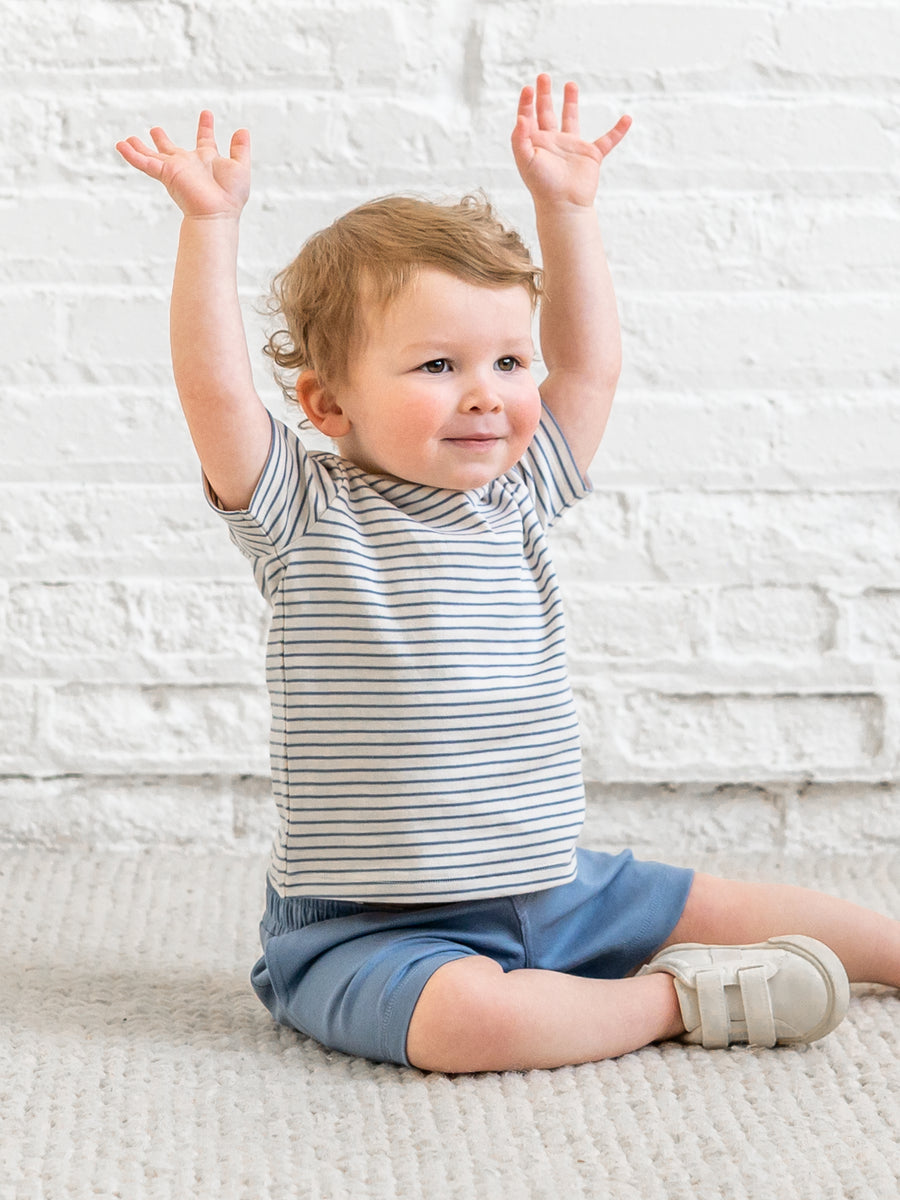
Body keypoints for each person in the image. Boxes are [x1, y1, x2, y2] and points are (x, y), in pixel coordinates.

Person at [116, 75, 900, 1073]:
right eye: (438, 367)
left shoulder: (518, 494)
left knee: (739, 903)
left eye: (506, 363)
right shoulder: (303, 511)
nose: (485, 395)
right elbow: (215, 389)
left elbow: (591, 370)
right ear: (328, 404)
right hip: (373, 928)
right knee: (470, 1028)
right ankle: (669, 1001)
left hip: (559, 887)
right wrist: (208, 226)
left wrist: (566, 212)